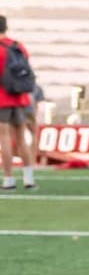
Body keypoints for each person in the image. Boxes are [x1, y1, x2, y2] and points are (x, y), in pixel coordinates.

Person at [0, 15, 36, 190]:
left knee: (4, 139)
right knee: (21, 138)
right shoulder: (17, 46)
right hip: (20, 97)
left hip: (2, 98)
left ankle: (8, 179)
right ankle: (29, 179)